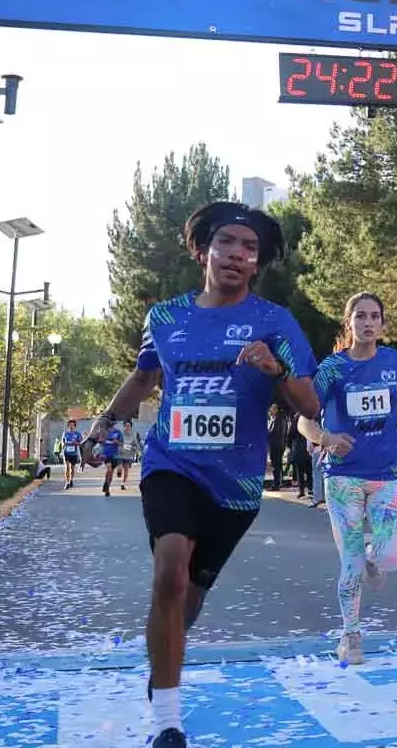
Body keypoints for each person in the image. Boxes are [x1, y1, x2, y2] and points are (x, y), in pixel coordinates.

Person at [82, 201, 319, 748]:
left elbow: (308, 405)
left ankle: (164, 654)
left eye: (250, 248)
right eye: (228, 243)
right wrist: (102, 425)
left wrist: (274, 368)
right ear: (202, 250)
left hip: (235, 482)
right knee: (169, 571)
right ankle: (168, 718)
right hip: (171, 462)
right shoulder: (165, 317)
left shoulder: (274, 321)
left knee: (189, 592)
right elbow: (143, 379)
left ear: (257, 263)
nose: (238, 254)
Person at [297, 293, 397, 664]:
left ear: (383, 323)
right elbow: (304, 420)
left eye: (375, 316)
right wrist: (326, 438)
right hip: (343, 477)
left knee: (390, 556)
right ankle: (351, 635)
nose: (368, 323)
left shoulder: (393, 360)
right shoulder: (332, 368)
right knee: (350, 563)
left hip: (387, 474)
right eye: (360, 316)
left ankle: (374, 561)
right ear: (349, 323)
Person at [119, 420, 142, 489]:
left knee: (126, 469)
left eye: (129, 426)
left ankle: (123, 484)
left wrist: (139, 453)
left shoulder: (133, 434)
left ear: (131, 427)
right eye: (126, 426)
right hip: (120, 454)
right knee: (119, 467)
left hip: (129, 454)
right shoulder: (120, 433)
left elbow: (137, 444)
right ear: (124, 426)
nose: (127, 427)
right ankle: (119, 471)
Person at [60, 419, 83, 488]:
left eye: (72, 425)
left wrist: (75, 443)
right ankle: (67, 482)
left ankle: (71, 480)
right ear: (68, 426)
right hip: (66, 452)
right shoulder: (65, 433)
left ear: (75, 426)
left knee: (72, 468)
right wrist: (64, 444)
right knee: (67, 467)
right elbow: (63, 442)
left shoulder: (77, 434)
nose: (71, 426)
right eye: (70, 425)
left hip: (74, 453)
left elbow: (81, 443)